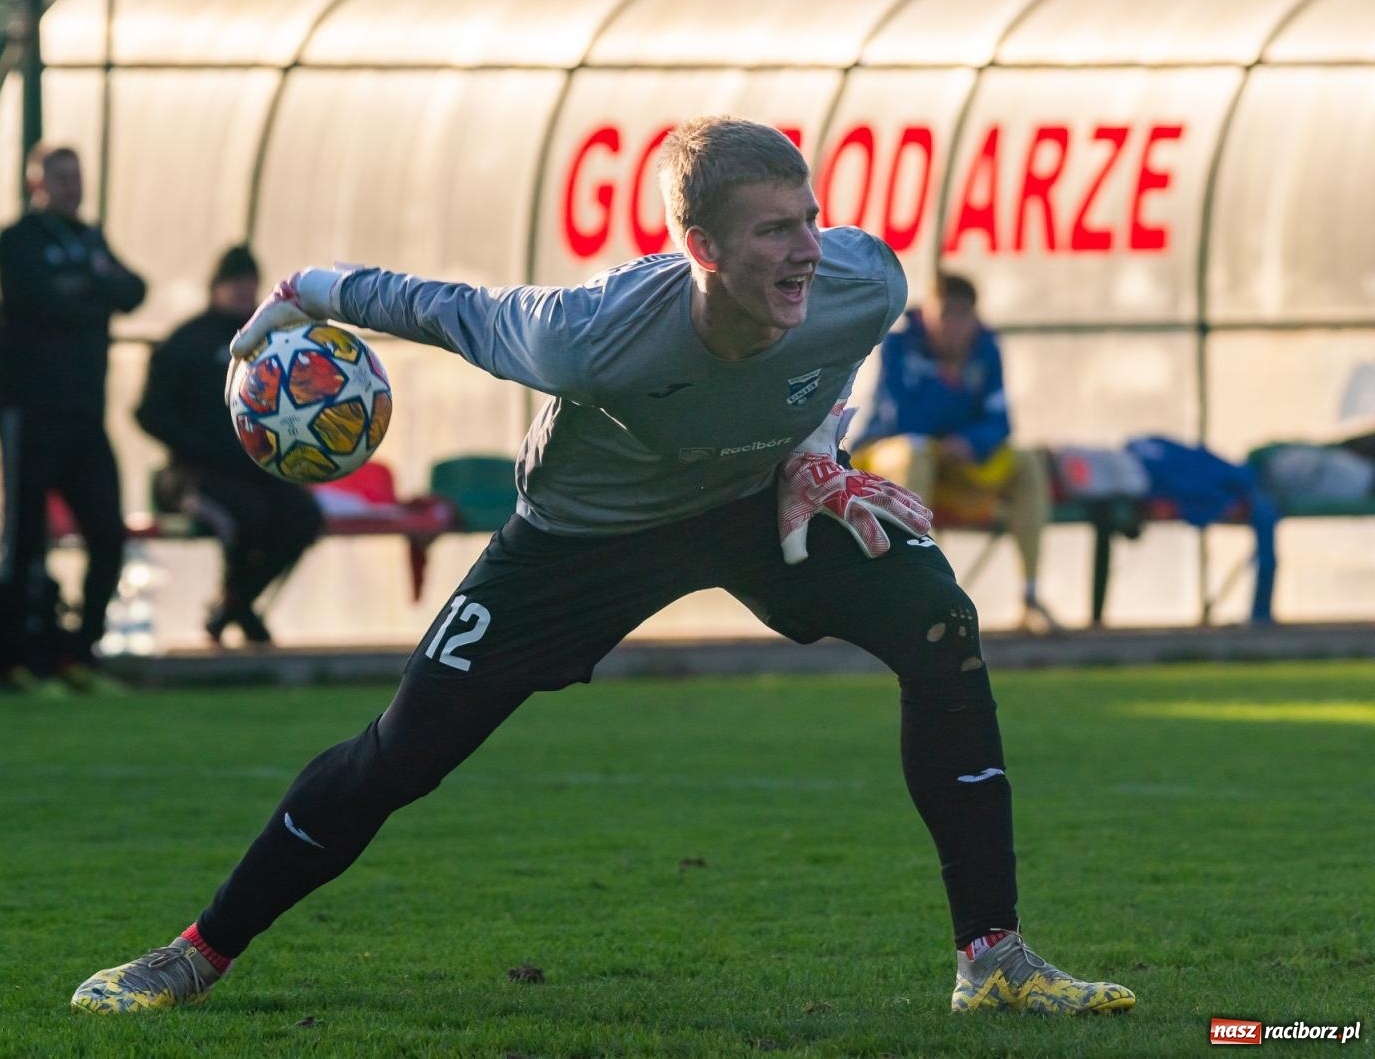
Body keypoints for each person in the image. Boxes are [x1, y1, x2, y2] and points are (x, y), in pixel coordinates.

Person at [71, 117, 1133, 1016]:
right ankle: (196, 951)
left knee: (940, 623)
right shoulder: (590, 333)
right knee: (402, 755)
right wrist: (307, 287)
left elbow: (838, 353)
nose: (808, 248)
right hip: (582, 541)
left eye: (810, 217)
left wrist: (814, 452)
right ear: (700, 247)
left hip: (751, 500)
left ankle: (993, 957)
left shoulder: (863, 279)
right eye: (774, 230)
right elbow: (442, 307)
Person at [0, 142, 145, 693]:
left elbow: (135, 290)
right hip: (31, 413)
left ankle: (81, 654)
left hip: (85, 416)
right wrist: (94, 288)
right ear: (36, 184)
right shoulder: (18, 239)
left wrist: (84, 285)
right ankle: (21, 661)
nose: (70, 186)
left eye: (75, 176)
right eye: (58, 177)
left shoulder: (90, 238)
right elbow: (37, 301)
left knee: (107, 534)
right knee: (25, 540)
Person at [854, 273, 1062, 635]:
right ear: (926, 312)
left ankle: (1030, 598)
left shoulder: (986, 346)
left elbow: (1000, 421)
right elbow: (899, 418)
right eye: (945, 314)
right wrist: (947, 383)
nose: (953, 326)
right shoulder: (899, 343)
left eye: (963, 315)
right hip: (886, 465)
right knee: (916, 452)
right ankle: (914, 594)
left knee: (1028, 462)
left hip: (953, 468)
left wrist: (968, 442)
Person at [135, 245, 323, 645]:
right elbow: (149, 413)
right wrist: (203, 446)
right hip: (193, 475)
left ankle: (236, 604)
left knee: (303, 517)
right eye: (234, 282)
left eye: (250, 283)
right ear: (216, 286)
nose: (242, 291)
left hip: (256, 469)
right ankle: (238, 610)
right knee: (245, 517)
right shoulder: (186, 342)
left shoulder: (271, 341)